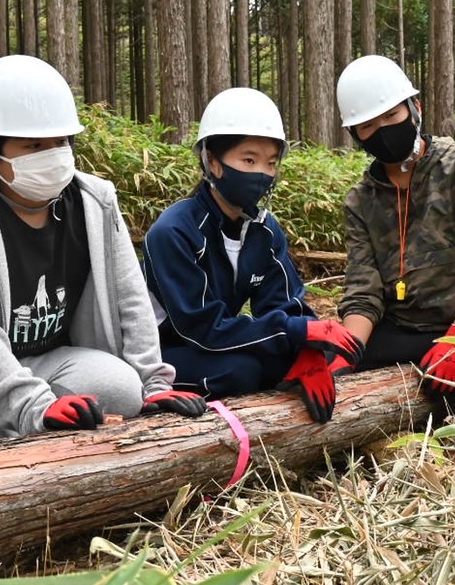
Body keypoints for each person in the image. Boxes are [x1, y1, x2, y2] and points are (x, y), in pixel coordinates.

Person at [0, 55, 205, 451]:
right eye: (34, 146)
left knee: (122, 390)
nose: (54, 154)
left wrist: (154, 384)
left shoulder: (96, 201)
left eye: (60, 142)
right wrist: (36, 408)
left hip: (47, 361)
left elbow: (131, 297)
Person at [143, 88, 365, 423]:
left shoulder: (264, 230)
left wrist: (307, 351)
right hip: (163, 352)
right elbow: (202, 329)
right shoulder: (174, 231)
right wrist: (294, 332)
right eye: (249, 160)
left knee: (299, 360)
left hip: (216, 342)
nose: (262, 173)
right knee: (241, 372)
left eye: (271, 163)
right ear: (212, 162)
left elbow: (284, 303)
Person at [335, 55, 455, 431]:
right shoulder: (361, 201)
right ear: (355, 134)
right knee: (323, 393)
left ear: (415, 109)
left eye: (391, 116)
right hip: (399, 330)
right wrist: (348, 352)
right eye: (368, 126)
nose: (382, 131)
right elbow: (363, 289)